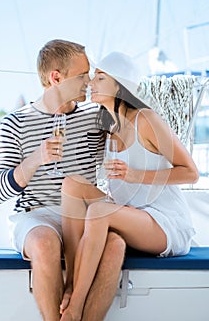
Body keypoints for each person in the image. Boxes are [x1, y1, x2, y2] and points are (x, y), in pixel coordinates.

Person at [0, 41, 126, 321]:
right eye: (82, 75)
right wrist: (36, 159)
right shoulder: (16, 123)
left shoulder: (95, 116)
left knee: (116, 245)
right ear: (56, 77)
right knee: (44, 244)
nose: (89, 81)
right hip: (37, 215)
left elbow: (128, 141)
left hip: (85, 214)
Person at [60, 51, 199, 321]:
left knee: (99, 212)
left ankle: (74, 306)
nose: (91, 83)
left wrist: (136, 175)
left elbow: (191, 173)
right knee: (72, 185)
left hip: (165, 222)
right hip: (130, 212)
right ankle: (70, 285)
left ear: (119, 85)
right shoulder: (107, 126)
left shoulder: (146, 120)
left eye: (100, 78)